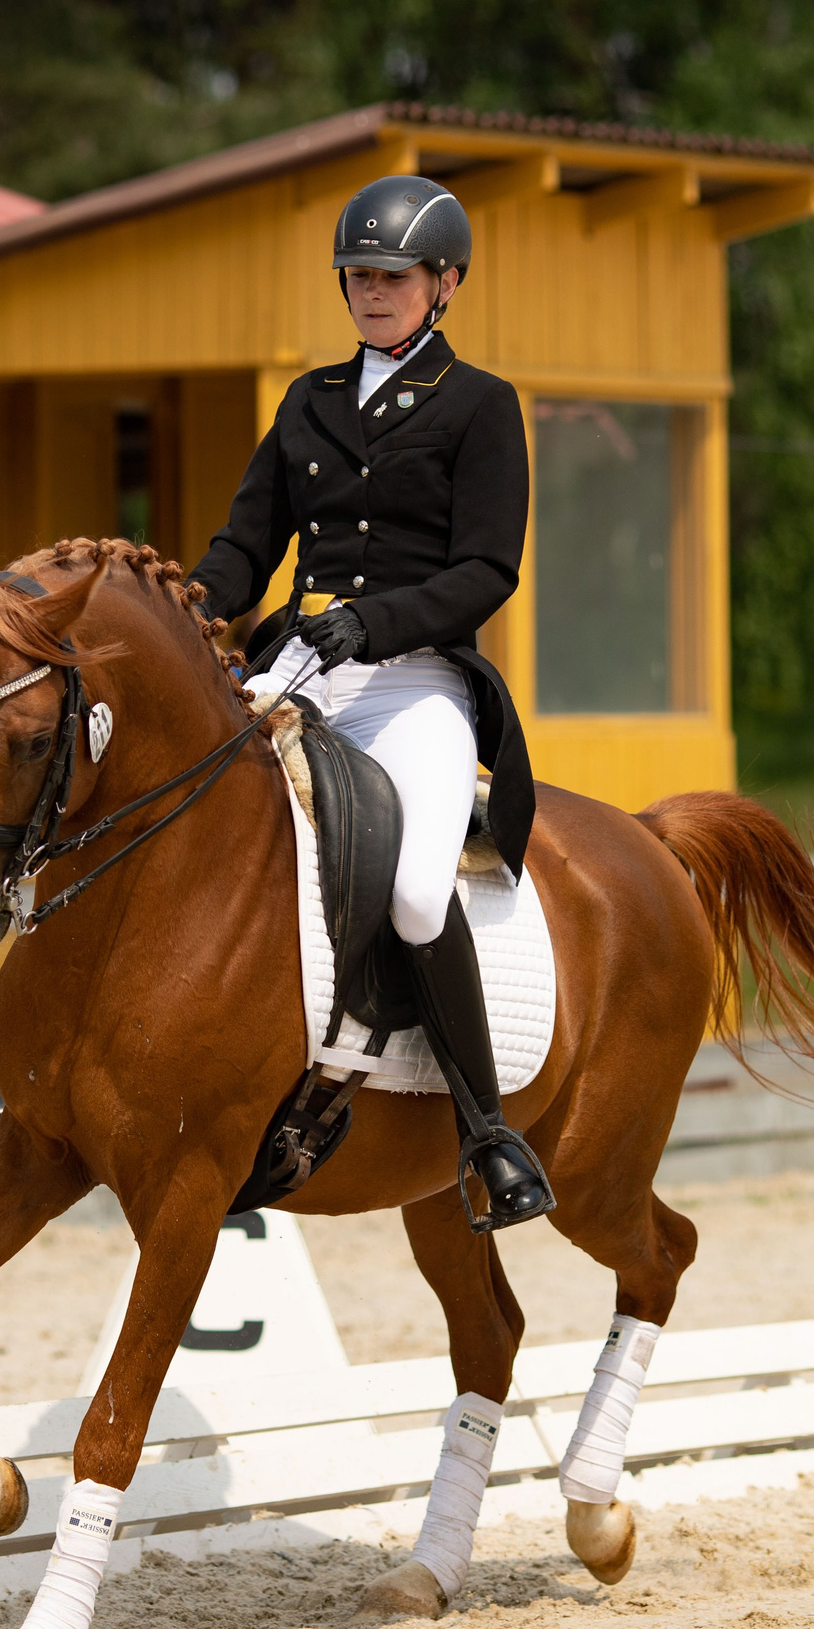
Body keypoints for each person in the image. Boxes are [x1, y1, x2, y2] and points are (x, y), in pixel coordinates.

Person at [190, 174, 553, 1232]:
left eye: (392, 276)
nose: (372, 291)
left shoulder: (478, 405)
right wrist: (180, 605)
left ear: (444, 283)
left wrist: (376, 622)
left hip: (413, 681)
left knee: (414, 892)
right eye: (357, 275)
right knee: (166, 812)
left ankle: (487, 1131)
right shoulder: (307, 400)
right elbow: (245, 545)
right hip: (300, 669)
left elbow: (487, 569)